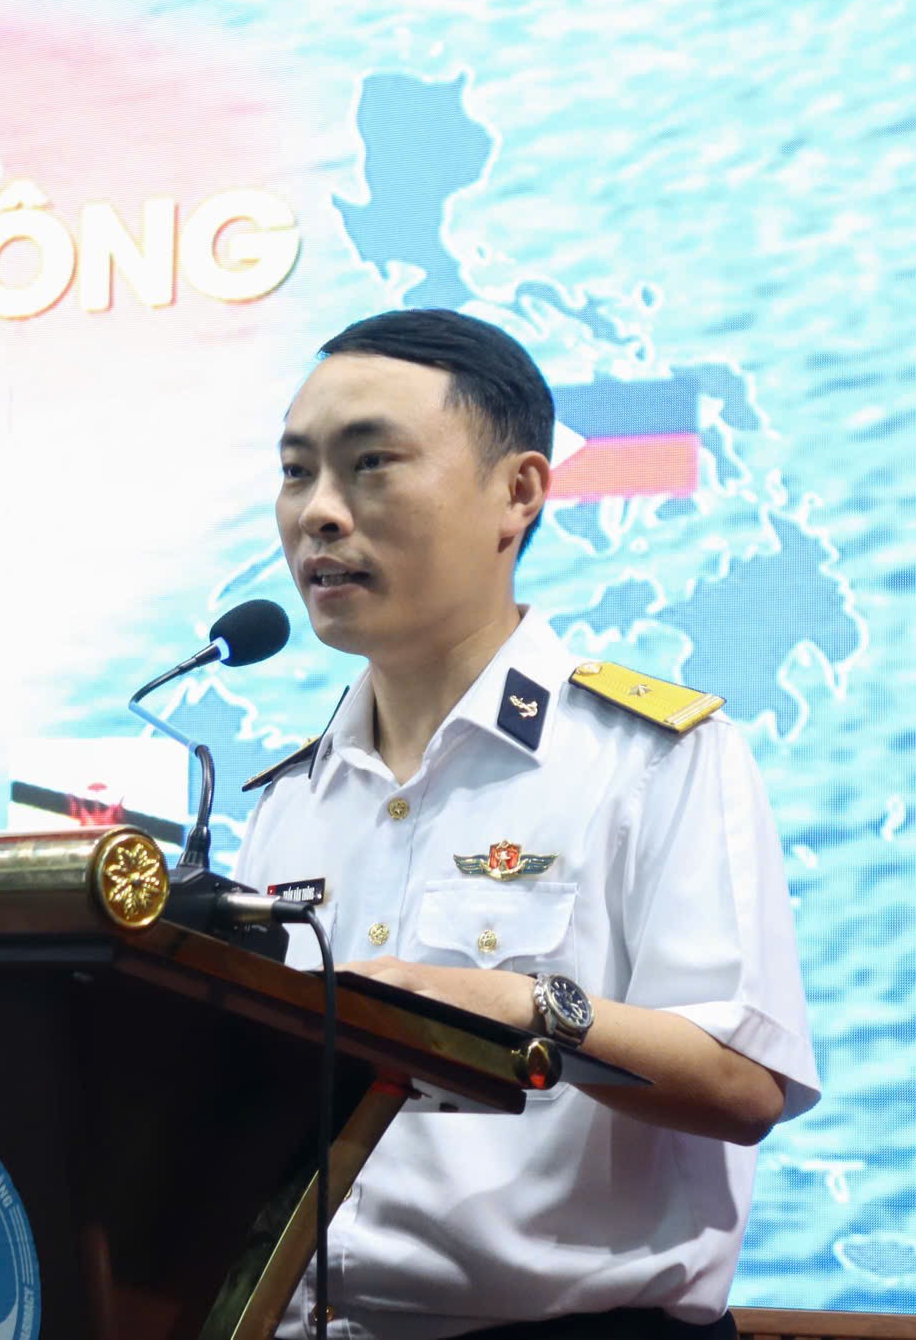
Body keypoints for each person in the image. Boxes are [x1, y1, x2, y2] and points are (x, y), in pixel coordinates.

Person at [237, 309, 820, 1340]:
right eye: (296, 472)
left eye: (371, 465)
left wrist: (517, 1006)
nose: (319, 512)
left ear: (518, 494)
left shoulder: (650, 757)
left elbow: (742, 1080)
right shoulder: (290, 799)